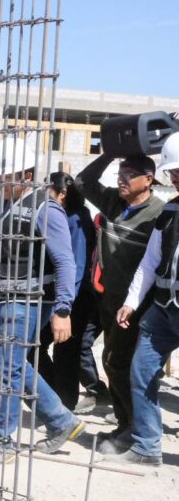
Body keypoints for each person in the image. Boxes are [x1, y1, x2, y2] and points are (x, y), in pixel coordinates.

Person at [0, 135, 84, 467]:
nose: (0, 183)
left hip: (29, 299)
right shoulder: (0, 206)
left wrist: (63, 308)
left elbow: (65, 261)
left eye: (6, 177)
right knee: (12, 365)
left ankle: (1, 441)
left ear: (27, 175)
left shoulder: (46, 208)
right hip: (0, 296)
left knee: (5, 369)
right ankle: (61, 420)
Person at [74, 151, 164, 455]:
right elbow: (83, 181)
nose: (121, 180)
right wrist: (109, 154)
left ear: (148, 180)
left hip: (137, 306)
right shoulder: (113, 201)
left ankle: (135, 430)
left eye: (129, 175)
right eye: (119, 173)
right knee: (113, 362)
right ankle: (125, 425)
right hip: (108, 299)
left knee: (120, 363)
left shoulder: (157, 214)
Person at [115, 132, 179, 466]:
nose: (175, 178)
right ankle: (146, 446)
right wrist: (131, 301)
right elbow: (150, 262)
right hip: (163, 309)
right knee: (141, 371)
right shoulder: (169, 211)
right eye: (173, 173)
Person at [31, 172, 97, 411]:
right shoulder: (60, 215)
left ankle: (64, 405)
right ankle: (54, 399)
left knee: (65, 352)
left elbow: (75, 264)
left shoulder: (75, 218)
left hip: (74, 298)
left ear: (62, 194)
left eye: (47, 190)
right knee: (37, 347)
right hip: (61, 295)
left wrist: (66, 305)